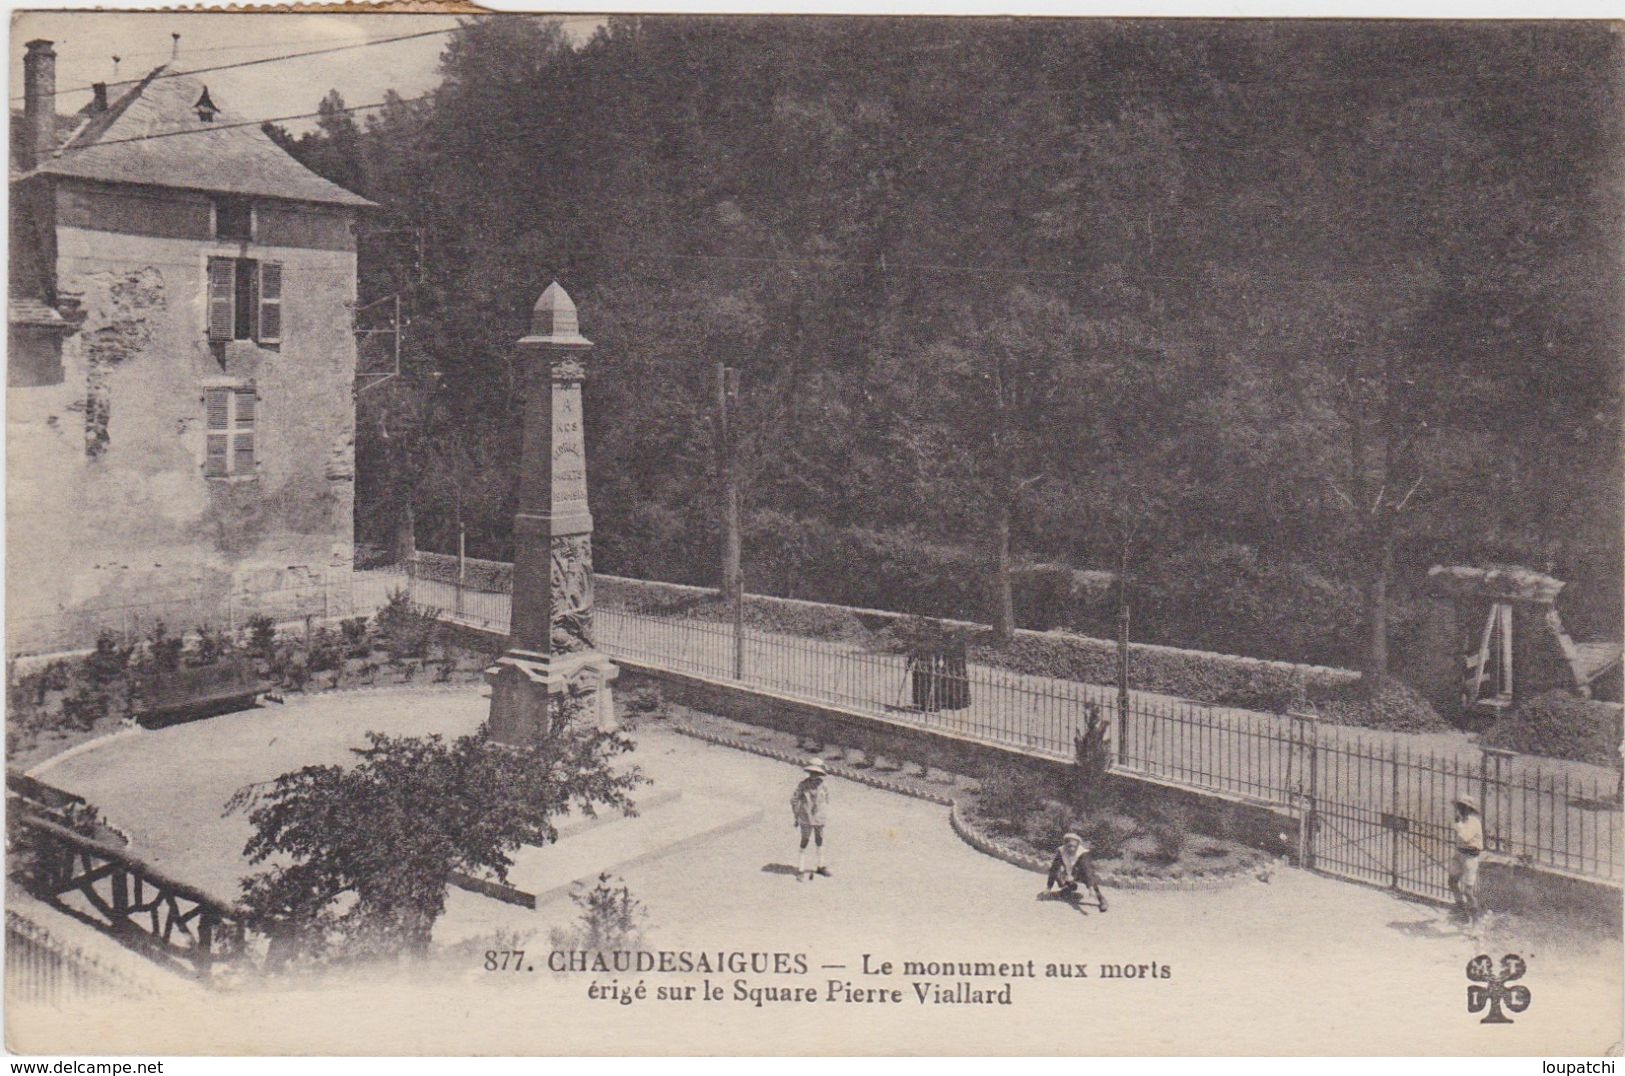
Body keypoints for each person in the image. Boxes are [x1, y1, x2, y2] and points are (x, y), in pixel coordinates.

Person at [1046, 832, 1107, 912]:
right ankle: (1068, 888)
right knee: (1057, 873)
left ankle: (1101, 900)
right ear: (1065, 845)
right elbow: (1054, 868)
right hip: (1068, 873)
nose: (1072, 849)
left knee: (1091, 879)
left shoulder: (1083, 853)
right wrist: (1048, 887)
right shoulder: (1061, 851)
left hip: (1080, 874)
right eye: (1069, 846)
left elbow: (1087, 870)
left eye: (1074, 846)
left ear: (1078, 846)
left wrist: (1090, 888)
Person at [792, 759, 831, 881]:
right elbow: (794, 800)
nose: (814, 775)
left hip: (819, 817)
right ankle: (801, 869)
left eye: (816, 772)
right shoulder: (803, 785)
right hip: (806, 818)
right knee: (805, 841)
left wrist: (822, 812)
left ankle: (820, 866)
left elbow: (827, 800)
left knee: (819, 839)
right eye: (812, 772)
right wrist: (797, 814)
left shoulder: (824, 786)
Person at [1448, 794, 1485, 924]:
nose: (1460, 809)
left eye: (1463, 807)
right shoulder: (1462, 820)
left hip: (1470, 857)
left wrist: (1458, 824)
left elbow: (1465, 837)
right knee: (1452, 882)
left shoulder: (1473, 822)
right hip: (1459, 854)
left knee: (1468, 892)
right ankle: (1462, 912)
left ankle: (1476, 921)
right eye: (1459, 806)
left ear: (1469, 808)